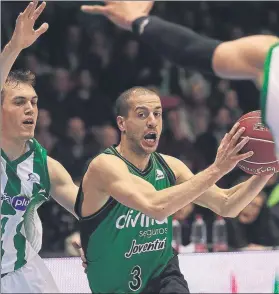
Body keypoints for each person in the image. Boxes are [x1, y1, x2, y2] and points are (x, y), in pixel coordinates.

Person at [74, 86, 272, 293]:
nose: (152, 121)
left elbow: (226, 204)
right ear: (122, 123)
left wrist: (269, 166)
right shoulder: (104, 166)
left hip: (163, 278)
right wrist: (216, 169)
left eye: (157, 114)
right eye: (142, 114)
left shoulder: (171, 167)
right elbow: (155, 206)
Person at [80, 1, 279, 159]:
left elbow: (191, 50)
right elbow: (192, 50)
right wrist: (139, 20)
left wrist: (138, 20)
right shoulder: (272, 56)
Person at [1, 2, 78, 292]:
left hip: (22, 274)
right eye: (19, 102)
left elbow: (92, 211)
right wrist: (15, 46)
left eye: (33, 102)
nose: (30, 110)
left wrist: (96, 242)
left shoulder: (44, 166)